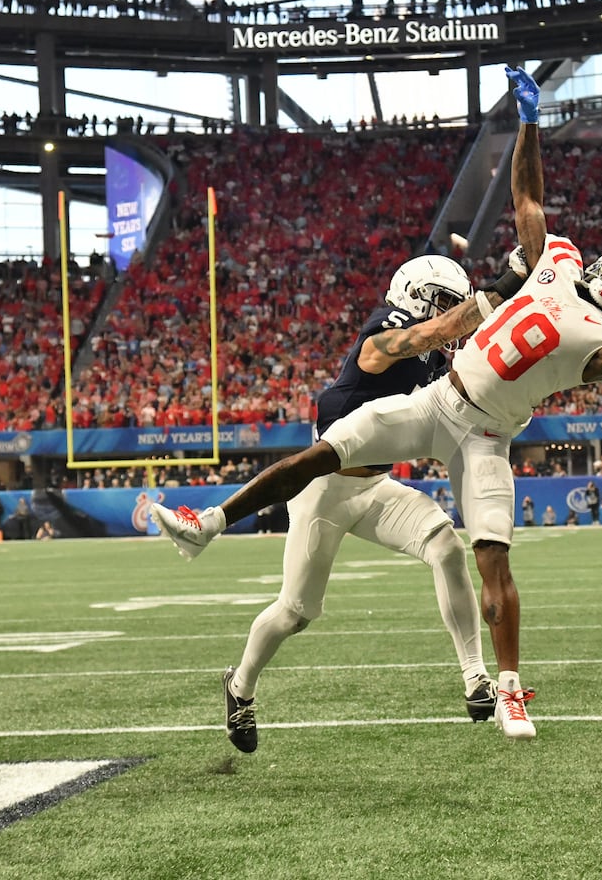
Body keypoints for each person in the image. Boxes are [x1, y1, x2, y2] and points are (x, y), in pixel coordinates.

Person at [150, 63, 602, 740]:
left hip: (464, 437)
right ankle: (220, 575)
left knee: (456, 545)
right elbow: (510, 242)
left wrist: (529, 127)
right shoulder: (391, 336)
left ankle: (492, 685)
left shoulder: (581, 299)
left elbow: (543, 226)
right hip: (404, 434)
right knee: (301, 586)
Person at [212, 252, 512, 751]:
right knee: (295, 612)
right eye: (442, 304)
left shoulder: (437, 360)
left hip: (375, 489)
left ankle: (475, 677)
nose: (448, 316)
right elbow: (412, 340)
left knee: (446, 547)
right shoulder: (386, 331)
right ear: (415, 296)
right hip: (325, 493)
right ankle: (239, 686)